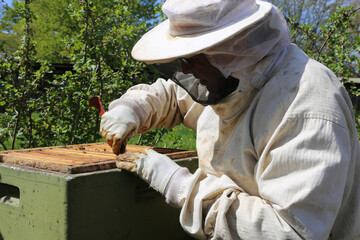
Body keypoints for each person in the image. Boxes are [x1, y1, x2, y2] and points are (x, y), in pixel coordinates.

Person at [100, 0, 360, 239]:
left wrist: (181, 187)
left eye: (192, 58)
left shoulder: (305, 103)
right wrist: (132, 108)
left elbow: (290, 232)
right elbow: (174, 95)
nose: (185, 70)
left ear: (236, 46)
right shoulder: (230, 75)